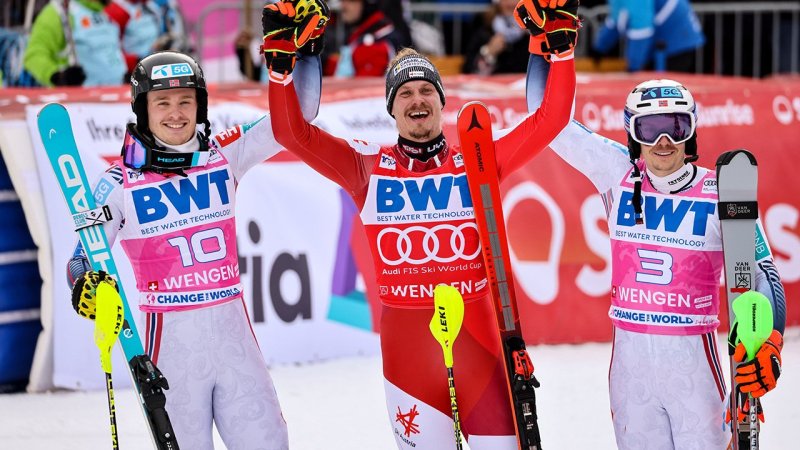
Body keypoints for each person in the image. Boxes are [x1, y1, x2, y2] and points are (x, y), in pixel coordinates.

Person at [264, 0, 578, 447]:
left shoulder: (477, 161)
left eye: (426, 91)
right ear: (392, 109)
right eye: (405, 93)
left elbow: (552, 119)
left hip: (480, 350)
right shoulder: (366, 169)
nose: (417, 99)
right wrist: (279, 71)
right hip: (407, 356)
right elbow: (291, 134)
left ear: (441, 102)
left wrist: (562, 52)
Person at [65, 36, 325, 449]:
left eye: (185, 101)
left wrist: (307, 51)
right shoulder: (118, 184)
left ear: (200, 106)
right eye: (162, 103)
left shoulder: (223, 154)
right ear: (143, 110)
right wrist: (87, 286)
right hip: (172, 355)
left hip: (236, 349)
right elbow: (83, 257)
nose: (175, 113)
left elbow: (300, 115)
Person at [526, 57, 787, 449]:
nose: (663, 141)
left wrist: (771, 340)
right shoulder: (616, 173)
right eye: (650, 128)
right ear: (633, 133)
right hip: (630, 374)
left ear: (691, 131)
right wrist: (548, 48)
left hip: (694, 370)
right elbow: (544, 116)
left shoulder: (722, 191)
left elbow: (763, 271)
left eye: (676, 126)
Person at [23, 0, 127, 87]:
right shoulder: (59, 12)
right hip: (81, 103)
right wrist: (57, 77)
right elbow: (34, 55)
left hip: (116, 98)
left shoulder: (109, 11)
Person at [593, 0, 705, 72]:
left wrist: (633, 67)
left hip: (677, 41)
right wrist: (599, 49)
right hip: (669, 39)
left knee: (666, 92)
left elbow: (642, 30)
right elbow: (617, 19)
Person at [464, 0, 531, 75]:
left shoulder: (534, 32)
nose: (512, 3)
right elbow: (469, 72)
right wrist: (489, 52)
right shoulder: (483, 29)